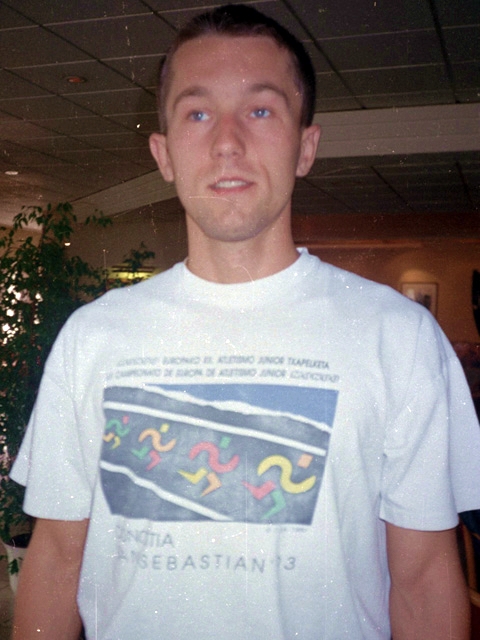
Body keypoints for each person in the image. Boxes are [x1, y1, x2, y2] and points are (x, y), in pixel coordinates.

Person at [10, 5, 480, 639]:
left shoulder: (399, 337)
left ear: (305, 146)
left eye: (260, 111)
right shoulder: (92, 338)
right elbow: (58, 559)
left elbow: (423, 578)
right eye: (197, 114)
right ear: (163, 154)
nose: (227, 142)